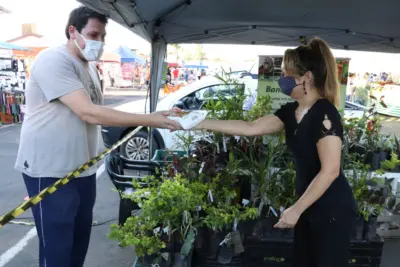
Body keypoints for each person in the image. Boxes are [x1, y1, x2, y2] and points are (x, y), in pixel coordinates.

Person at [14, 6, 179, 267]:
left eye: (102, 36)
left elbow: (99, 111)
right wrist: (150, 119)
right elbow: (88, 112)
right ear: (72, 31)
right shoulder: (53, 60)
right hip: (50, 171)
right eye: (93, 34)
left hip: (82, 170)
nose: (99, 42)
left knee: (79, 245)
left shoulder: (89, 67)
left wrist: (153, 114)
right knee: (57, 250)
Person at [190, 37, 358, 267]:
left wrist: (296, 209)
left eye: (286, 74)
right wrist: (198, 122)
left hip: (331, 209)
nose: (282, 80)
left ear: (306, 77)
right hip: (308, 204)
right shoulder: (292, 111)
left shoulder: (326, 115)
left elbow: (330, 171)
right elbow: (251, 127)